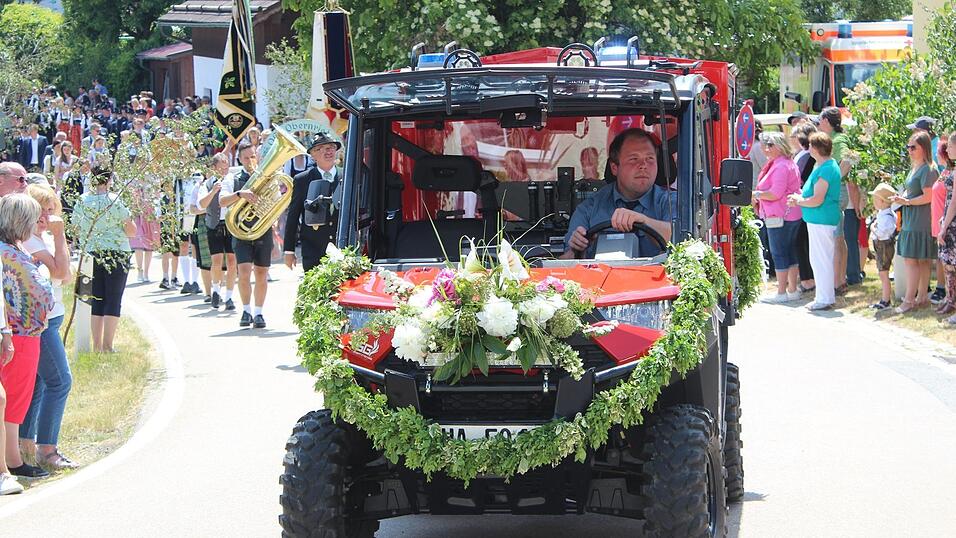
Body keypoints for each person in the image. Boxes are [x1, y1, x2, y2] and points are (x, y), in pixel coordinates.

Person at [19, 184, 77, 470]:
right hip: (40, 323)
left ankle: (26, 444)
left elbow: (65, 278)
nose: (45, 215)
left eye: (50, 208)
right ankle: (47, 448)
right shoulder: (30, 241)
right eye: (39, 209)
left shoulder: (44, 240)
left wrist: (56, 238)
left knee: (41, 383)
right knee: (61, 381)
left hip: (52, 317)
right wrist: (59, 234)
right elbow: (62, 272)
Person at [0, 194, 55, 482]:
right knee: (15, 402)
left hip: (13, 332)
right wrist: (42, 269)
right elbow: (43, 295)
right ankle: (13, 460)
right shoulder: (14, 255)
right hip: (21, 335)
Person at [563, 129, 676, 259]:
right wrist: (576, 249)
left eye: (650, 158)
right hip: (599, 278)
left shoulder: (670, 201)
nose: (643, 165)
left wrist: (645, 221)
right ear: (614, 168)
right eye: (634, 159)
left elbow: (683, 241)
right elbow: (563, 267)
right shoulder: (590, 208)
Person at [71, 169, 137, 352]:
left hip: (91, 253)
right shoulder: (115, 200)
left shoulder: (82, 201)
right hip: (117, 252)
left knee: (96, 298)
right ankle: (108, 345)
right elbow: (131, 231)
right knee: (113, 299)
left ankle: (97, 345)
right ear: (109, 180)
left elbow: (75, 228)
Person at [787, 132, 842, 311]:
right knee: (818, 259)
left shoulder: (826, 168)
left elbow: (818, 198)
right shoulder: (823, 165)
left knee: (822, 259)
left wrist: (798, 201)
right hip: (818, 218)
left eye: (811, 145)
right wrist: (800, 197)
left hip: (822, 218)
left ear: (817, 148)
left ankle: (825, 298)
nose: (808, 148)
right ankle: (823, 296)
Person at [220, 141, 270, 328]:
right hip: (241, 231)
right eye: (247, 158)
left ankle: (259, 312)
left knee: (261, 273)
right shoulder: (232, 178)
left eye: (253, 157)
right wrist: (240, 194)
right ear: (240, 159)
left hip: (262, 229)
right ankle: (246, 310)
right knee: (244, 272)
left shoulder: (266, 176)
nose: (250, 161)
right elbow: (222, 201)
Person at [753, 132, 804, 303]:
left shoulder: (781, 166)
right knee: (790, 252)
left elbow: (775, 193)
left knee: (779, 253)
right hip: (788, 213)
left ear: (779, 146)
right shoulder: (785, 163)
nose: (766, 148)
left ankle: (782, 292)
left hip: (780, 215)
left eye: (770, 145)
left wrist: (756, 194)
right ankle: (791, 289)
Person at [892, 131, 938, 314]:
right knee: (920, 260)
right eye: (908, 147)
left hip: (920, 220)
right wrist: (902, 198)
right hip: (912, 217)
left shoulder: (928, 169)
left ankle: (910, 299)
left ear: (924, 148)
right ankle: (921, 297)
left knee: (913, 260)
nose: (909, 150)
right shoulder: (915, 168)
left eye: (913, 147)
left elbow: (928, 197)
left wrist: (907, 201)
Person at [284, 132, 343, 273]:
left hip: (343, 247)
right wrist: (289, 250)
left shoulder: (347, 175)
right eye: (319, 149)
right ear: (312, 155)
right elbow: (293, 215)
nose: (326, 151)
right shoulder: (302, 179)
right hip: (314, 249)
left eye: (330, 147)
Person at [818, 106, 860, 292]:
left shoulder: (838, 139)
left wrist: (834, 180)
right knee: (839, 237)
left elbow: (848, 159)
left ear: (826, 121)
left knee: (834, 239)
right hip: (838, 193)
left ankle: (836, 282)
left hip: (836, 194)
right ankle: (839, 280)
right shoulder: (835, 138)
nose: (819, 125)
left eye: (820, 121)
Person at [197, 153, 237, 310]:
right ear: (213, 168)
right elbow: (201, 205)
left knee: (233, 261)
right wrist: (213, 191)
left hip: (230, 223)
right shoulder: (206, 184)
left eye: (226, 167)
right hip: (214, 224)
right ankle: (215, 291)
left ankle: (229, 296)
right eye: (221, 168)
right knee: (217, 261)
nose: (224, 171)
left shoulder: (232, 180)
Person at [868, 183, 899, 311]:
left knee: (883, 274)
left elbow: (881, 233)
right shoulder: (886, 214)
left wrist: (873, 228)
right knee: (883, 273)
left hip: (883, 246)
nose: (873, 202)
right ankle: (885, 299)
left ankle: (886, 300)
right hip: (883, 245)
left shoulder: (886, 217)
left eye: (875, 199)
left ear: (882, 201)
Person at [937, 132, 956, 322]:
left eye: (950, 146)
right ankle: (951, 300)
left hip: (953, 222)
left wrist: (945, 225)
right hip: (950, 219)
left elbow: (954, 201)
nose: (947, 150)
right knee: (949, 263)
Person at [930, 140, 950, 305]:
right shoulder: (944, 173)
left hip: (946, 221)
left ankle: (945, 290)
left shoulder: (950, 174)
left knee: (946, 259)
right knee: (941, 258)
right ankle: (944, 290)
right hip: (938, 220)